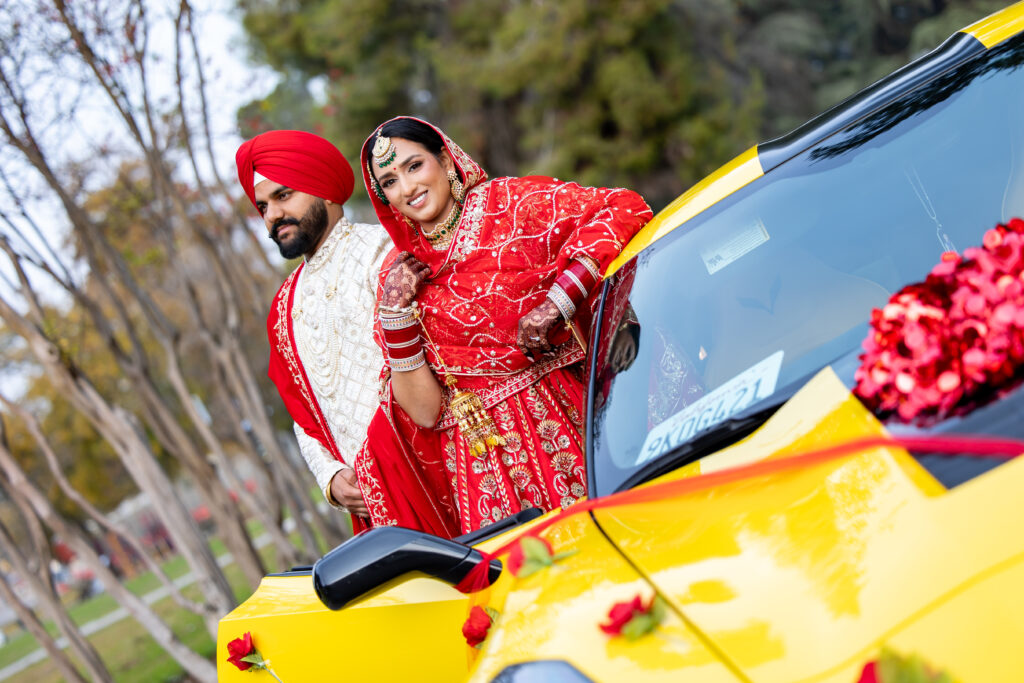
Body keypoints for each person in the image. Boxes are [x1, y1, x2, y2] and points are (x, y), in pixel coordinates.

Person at [356, 116, 652, 535]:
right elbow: (425, 412)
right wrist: (395, 316)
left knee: (627, 540)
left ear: (445, 158)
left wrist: (559, 300)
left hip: (573, 418)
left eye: (413, 166)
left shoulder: (509, 205)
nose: (406, 189)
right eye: (388, 182)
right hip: (487, 472)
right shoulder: (400, 277)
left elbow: (623, 207)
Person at [235, 130, 390, 528]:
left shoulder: (383, 252)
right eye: (263, 206)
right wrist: (331, 476)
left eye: (283, 196)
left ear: (323, 190)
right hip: (374, 507)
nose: (271, 216)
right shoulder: (284, 308)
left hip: (445, 468)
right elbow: (302, 414)